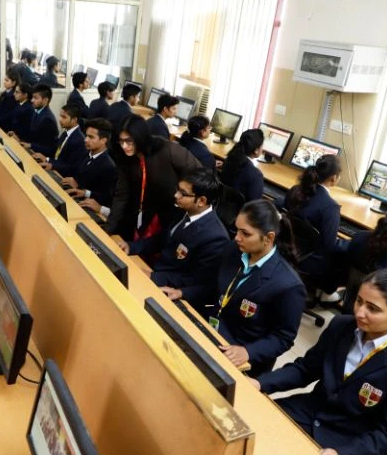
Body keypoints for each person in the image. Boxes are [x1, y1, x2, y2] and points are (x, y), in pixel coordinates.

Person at [252, 269, 387, 455]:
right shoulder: (341, 326)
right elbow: (305, 369)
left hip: (349, 444)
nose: (359, 313)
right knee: (249, 433)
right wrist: (259, 383)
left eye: (372, 308)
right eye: (359, 301)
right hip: (308, 414)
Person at [209, 199, 305, 376]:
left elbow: (283, 337)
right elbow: (213, 286)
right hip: (211, 333)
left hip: (240, 358)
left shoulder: (289, 285)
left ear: (268, 238)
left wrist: (248, 352)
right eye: (237, 230)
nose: (237, 237)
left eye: (245, 234)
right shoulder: (234, 250)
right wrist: (182, 292)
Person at [125, 168, 230, 310]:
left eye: (183, 193)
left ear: (201, 201)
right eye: (178, 190)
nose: (176, 195)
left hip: (172, 292)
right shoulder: (183, 210)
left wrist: (154, 277)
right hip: (155, 273)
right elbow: (162, 240)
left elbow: (198, 281)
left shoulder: (215, 237)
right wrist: (131, 247)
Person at [107, 114, 202, 242]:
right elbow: (122, 194)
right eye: (121, 141)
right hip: (142, 212)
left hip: (172, 212)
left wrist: (183, 195)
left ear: (140, 137)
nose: (124, 146)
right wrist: (108, 229)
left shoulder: (168, 150)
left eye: (129, 141)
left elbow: (199, 174)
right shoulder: (123, 156)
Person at [281, 154, 343, 302]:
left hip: (285, 248)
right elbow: (329, 245)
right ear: (334, 178)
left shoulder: (296, 190)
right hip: (308, 261)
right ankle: (327, 294)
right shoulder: (330, 207)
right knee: (343, 255)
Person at [63, 118, 118, 214]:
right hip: (77, 199)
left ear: (103, 140)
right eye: (86, 136)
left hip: (89, 210)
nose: (85, 140)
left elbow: (105, 197)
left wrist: (84, 191)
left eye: (91, 137)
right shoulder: (86, 153)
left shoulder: (108, 166)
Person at [31, 104, 86, 177]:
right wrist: (46, 158)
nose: (60, 119)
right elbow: (55, 151)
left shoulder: (79, 140)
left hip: (62, 176)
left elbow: (72, 167)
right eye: (60, 116)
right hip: (55, 169)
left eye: (64, 117)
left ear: (74, 120)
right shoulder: (65, 133)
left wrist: (52, 165)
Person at [10, 84, 59, 155]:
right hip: (32, 151)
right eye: (32, 97)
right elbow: (32, 137)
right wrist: (19, 139)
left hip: (39, 156)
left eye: (35, 98)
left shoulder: (48, 120)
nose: (32, 100)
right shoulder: (37, 112)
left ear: (45, 100)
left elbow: (50, 148)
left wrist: (30, 145)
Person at [220, 129, 265, 201]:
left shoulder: (229, 159)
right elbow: (255, 204)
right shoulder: (256, 175)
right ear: (256, 150)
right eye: (262, 145)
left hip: (222, 202)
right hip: (240, 208)